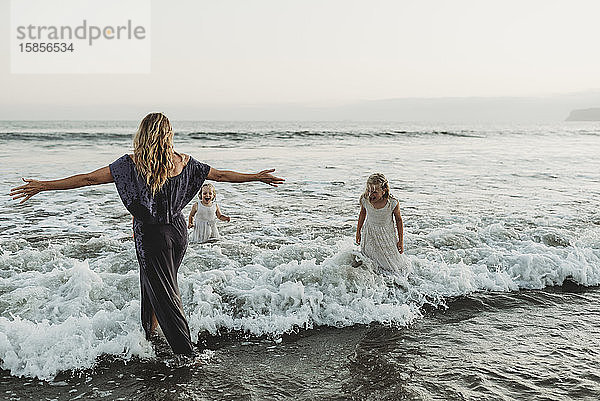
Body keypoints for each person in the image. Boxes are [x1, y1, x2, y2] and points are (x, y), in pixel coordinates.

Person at [10, 112, 284, 357]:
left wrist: (45, 185)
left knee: (166, 295)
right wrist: (255, 177)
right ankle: (150, 335)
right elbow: (222, 175)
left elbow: (88, 179)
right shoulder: (184, 162)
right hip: (177, 234)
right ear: (168, 135)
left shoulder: (131, 164)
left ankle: (187, 357)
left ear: (143, 134)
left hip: (151, 238)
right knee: (153, 285)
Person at [355, 173, 406, 274]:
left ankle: (391, 277)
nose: (370, 194)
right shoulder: (365, 200)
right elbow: (362, 214)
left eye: (374, 192)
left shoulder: (392, 203)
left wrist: (401, 240)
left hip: (386, 235)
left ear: (384, 191)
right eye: (368, 190)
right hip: (370, 233)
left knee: (392, 263)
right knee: (369, 258)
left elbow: (399, 221)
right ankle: (373, 274)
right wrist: (358, 232)